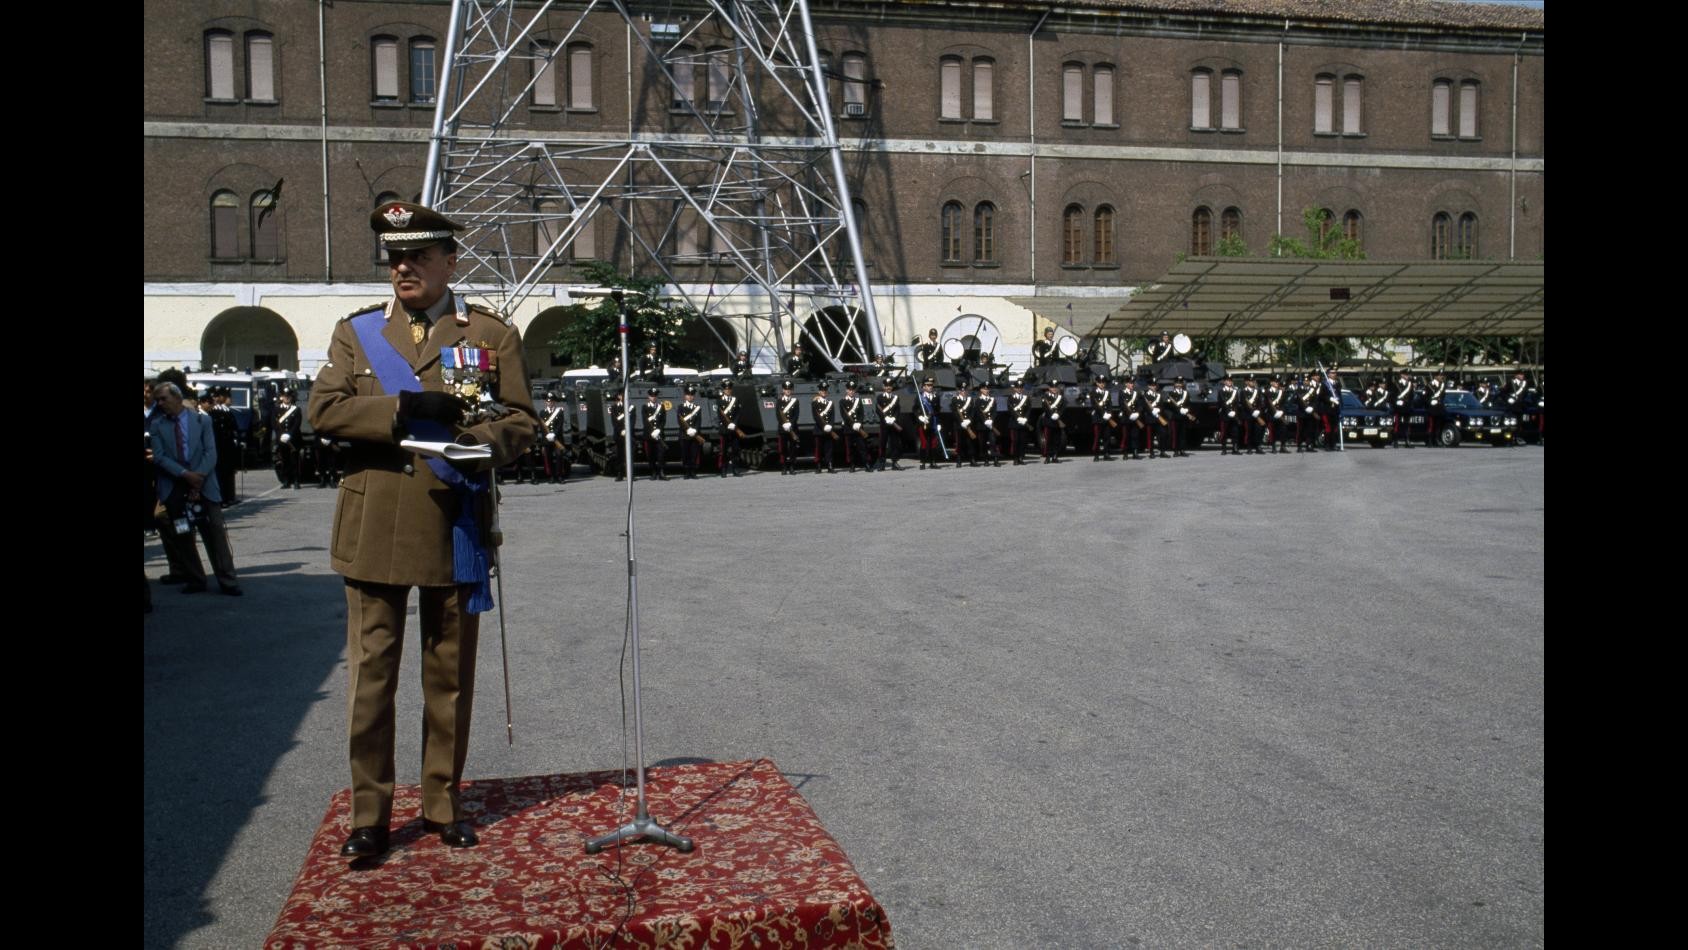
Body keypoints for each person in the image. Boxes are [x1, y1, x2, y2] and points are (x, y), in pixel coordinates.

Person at [308, 200, 538, 859]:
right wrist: (405, 410)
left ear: (449, 262)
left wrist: (480, 441)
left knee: (449, 675)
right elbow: (323, 410)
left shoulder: (489, 336)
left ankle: (441, 803)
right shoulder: (357, 335)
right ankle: (370, 815)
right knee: (371, 677)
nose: (402, 268)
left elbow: (521, 420)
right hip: (375, 522)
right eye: (393, 259)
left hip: (452, 523)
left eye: (416, 257)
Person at [149, 381, 243, 596]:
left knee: (215, 533)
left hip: (205, 486)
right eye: (158, 400)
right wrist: (185, 475)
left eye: (164, 398)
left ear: (177, 397)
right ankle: (195, 578)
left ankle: (227, 580)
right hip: (175, 489)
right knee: (183, 533)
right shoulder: (157, 425)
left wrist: (198, 476)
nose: (160, 403)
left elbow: (211, 452)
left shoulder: (202, 420)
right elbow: (160, 457)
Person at [209, 387, 242, 507]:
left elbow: (233, 428)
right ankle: (222, 498)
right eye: (227, 397)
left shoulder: (228, 411)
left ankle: (230, 496)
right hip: (220, 447)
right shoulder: (214, 412)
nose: (229, 399)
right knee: (221, 473)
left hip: (228, 447)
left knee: (229, 472)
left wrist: (237, 439)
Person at [841, 380, 872, 472]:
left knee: (862, 447)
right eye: (849, 390)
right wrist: (852, 424)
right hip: (849, 428)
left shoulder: (858, 401)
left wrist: (859, 422)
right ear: (846, 390)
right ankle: (851, 465)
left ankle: (866, 464)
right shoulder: (842, 402)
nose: (851, 391)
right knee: (850, 448)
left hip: (859, 428)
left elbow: (861, 413)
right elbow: (844, 415)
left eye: (853, 390)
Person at [915, 377, 945, 468]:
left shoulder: (936, 397)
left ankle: (933, 462)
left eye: (931, 385)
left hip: (933, 422)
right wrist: (920, 416)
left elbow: (938, 411)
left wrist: (939, 423)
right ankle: (922, 462)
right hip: (923, 423)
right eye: (928, 385)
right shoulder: (920, 397)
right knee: (924, 443)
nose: (930, 387)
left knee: (933, 443)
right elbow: (915, 409)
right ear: (923, 387)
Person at [875, 377, 905, 471]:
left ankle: (894, 462)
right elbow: (878, 410)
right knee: (883, 443)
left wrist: (893, 418)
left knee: (895, 443)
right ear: (884, 387)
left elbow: (897, 410)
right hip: (884, 424)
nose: (888, 388)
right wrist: (885, 418)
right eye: (887, 386)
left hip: (893, 423)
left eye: (890, 386)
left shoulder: (895, 398)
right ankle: (882, 463)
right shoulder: (880, 397)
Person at [716, 380, 744, 477]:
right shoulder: (719, 400)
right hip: (724, 429)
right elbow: (720, 415)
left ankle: (735, 469)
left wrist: (734, 424)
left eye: (729, 389)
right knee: (723, 451)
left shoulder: (736, 400)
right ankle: (723, 469)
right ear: (723, 390)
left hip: (734, 429)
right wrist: (727, 424)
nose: (727, 391)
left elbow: (738, 413)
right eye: (726, 389)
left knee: (735, 450)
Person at [642, 387, 668, 480]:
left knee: (661, 454)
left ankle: (661, 472)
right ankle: (653, 472)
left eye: (655, 396)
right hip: (649, 435)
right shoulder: (645, 407)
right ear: (649, 397)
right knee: (651, 455)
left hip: (659, 435)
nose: (653, 397)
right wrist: (652, 431)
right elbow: (645, 421)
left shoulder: (661, 406)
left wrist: (659, 430)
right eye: (651, 396)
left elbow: (663, 420)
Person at [811, 381, 838, 473]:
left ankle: (830, 465)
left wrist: (830, 425)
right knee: (818, 449)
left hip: (829, 430)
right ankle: (818, 465)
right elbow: (816, 417)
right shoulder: (815, 403)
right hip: (819, 429)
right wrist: (824, 426)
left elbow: (832, 416)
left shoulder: (830, 403)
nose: (824, 392)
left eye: (825, 390)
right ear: (819, 392)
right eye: (822, 390)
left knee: (829, 448)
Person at [776, 380, 802, 475]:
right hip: (782, 428)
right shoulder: (779, 401)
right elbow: (778, 415)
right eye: (786, 389)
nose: (788, 391)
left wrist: (790, 423)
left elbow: (796, 414)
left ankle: (792, 466)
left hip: (793, 428)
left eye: (789, 389)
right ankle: (783, 467)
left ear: (792, 390)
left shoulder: (795, 401)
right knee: (782, 449)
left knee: (792, 449)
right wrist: (784, 424)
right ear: (783, 390)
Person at [974, 382, 1001, 467]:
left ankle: (995, 459)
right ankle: (986, 459)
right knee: (983, 443)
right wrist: (985, 421)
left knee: (993, 442)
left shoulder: (992, 400)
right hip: (982, 425)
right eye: (985, 389)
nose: (986, 390)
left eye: (987, 389)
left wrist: (991, 420)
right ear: (981, 390)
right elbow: (978, 413)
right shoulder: (978, 400)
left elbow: (995, 411)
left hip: (991, 425)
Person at [1088, 376, 1114, 462]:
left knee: (1107, 436)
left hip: (1106, 418)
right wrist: (1103, 414)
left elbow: (1110, 404)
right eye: (1100, 382)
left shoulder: (1107, 393)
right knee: (1097, 437)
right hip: (1098, 418)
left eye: (1103, 382)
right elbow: (1094, 405)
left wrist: (1109, 413)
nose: (1102, 384)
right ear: (1097, 383)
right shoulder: (1093, 392)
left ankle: (1106, 453)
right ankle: (1096, 454)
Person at [1006, 378, 1032, 464]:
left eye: (1021, 387)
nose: (1019, 389)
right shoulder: (1011, 398)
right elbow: (1010, 409)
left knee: (1022, 441)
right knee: (1015, 441)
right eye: (1017, 387)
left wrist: (1025, 418)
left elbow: (1028, 409)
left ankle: (1021, 457)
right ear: (1014, 388)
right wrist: (1018, 418)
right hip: (1014, 422)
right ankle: (1015, 458)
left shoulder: (1026, 398)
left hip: (1023, 422)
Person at [1040, 381, 1065, 463]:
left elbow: (1063, 407)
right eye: (1052, 387)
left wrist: (1058, 414)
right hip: (1048, 421)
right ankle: (1047, 456)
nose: (1054, 389)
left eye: (1056, 387)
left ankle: (1055, 455)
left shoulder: (1061, 397)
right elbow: (1044, 408)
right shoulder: (1045, 397)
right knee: (1048, 439)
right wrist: (1052, 414)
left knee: (1057, 439)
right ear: (1049, 388)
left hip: (1057, 421)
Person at [606, 390, 629, 481]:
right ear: (619, 396)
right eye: (621, 395)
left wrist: (627, 429)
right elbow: (614, 422)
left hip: (628, 433)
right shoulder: (614, 408)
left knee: (629, 455)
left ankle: (630, 473)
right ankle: (620, 473)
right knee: (620, 455)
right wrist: (622, 430)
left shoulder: (629, 407)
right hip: (619, 434)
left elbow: (632, 419)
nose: (623, 396)